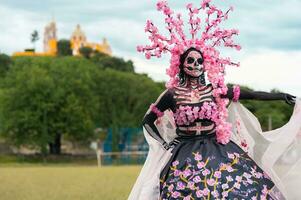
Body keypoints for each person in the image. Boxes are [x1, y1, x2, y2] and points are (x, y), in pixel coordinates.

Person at [128, 1, 300, 199]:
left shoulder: (215, 90)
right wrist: (164, 143)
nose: (195, 65)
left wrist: (280, 96)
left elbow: (251, 94)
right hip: (184, 151)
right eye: (190, 61)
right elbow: (148, 120)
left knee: (237, 189)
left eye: (199, 61)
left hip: (218, 149)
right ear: (181, 64)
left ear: (205, 64)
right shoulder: (172, 94)